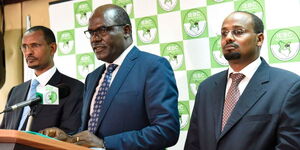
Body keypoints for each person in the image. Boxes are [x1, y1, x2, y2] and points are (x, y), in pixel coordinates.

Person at [40, 4, 179, 150]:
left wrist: (106, 144)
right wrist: (70, 138)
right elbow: (91, 132)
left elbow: (166, 130)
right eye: (91, 33)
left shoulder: (153, 67)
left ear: (126, 31)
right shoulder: (92, 78)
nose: (95, 39)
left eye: (102, 30)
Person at [184, 11, 300, 150]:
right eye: (224, 33)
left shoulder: (289, 87)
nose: (228, 38)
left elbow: (291, 146)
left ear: (259, 39)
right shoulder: (206, 88)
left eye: (238, 32)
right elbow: (193, 143)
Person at [0, 26, 84, 134]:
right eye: (24, 47)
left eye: (35, 45)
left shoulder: (73, 88)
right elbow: (4, 131)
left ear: (52, 48)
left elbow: (70, 134)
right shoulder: (16, 92)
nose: (28, 52)